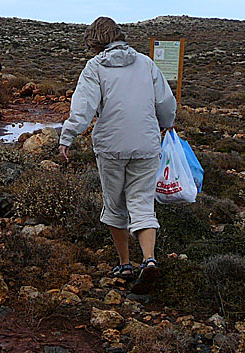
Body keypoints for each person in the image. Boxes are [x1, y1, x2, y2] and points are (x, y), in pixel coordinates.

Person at [58, 16, 176, 295]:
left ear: (94, 41)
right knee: (143, 203)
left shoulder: (95, 67)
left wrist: (67, 137)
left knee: (115, 204)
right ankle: (149, 259)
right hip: (146, 144)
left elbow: (83, 108)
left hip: (111, 146)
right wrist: (166, 123)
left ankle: (124, 263)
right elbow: (165, 102)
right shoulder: (145, 63)